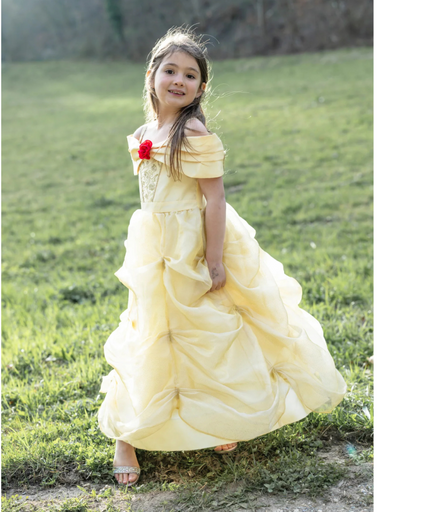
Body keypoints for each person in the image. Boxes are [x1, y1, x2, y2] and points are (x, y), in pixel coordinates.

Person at [97, 27, 347, 487]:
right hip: (155, 247)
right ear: (151, 75)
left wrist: (214, 258)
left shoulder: (192, 131)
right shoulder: (144, 133)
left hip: (195, 243)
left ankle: (216, 416)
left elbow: (214, 198)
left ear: (201, 88)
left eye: (190, 75)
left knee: (208, 328)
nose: (179, 80)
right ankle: (126, 436)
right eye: (170, 70)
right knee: (151, 330)